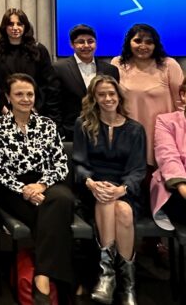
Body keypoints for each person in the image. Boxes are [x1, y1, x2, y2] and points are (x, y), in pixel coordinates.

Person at [0, 73, 72, 304]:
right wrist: (24, 189)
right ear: (8, 97)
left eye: (29, 94)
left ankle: (42, 277)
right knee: (54, 214)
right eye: (19, 94)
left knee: (63, 199)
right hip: (13, 189)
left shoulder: (47, 125)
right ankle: (65, 284)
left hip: (45, 183)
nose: (25, 99)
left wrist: (41, 185)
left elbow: (61, 163)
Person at [73, 74, 145, 305]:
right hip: (92, 190)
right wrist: (91, 183)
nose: (107, 98)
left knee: (122, 210)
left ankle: (118, 281)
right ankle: (116, 281)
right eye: (101, 94)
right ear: (94, 98)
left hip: (125, 191)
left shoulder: (135, 129)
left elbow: (138, 170)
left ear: (119, 96)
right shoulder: (83, 124)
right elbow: (79, 163)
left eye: (111, 94)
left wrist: (122, 189)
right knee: (106, 200)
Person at [111, 23, 184, 166]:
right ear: (129, 42)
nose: (143, 46)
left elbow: (181, 102)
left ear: (155, 45)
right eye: (138, 41)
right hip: (127, 132)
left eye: (149, 42)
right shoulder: (117, 63)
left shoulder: (169, 65)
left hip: (162, 133)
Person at [0, 8, 60, 123]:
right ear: (4, 27)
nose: (15, 28)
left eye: (19, 24)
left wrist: (36, 108)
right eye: (10, 24)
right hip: (4, 114)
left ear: (25, 27)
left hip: (37, 113)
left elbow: (49, 84)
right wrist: (4, 110)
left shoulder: (39, 50)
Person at [54, 24, 119, 141]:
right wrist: (59, 131)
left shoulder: (111, 70)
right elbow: (54, 103)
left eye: (90, 41)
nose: (86, 45)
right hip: (70, 132)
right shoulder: (58, 68)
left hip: (103, 132)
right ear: (72, 44)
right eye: (81, 42)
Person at [151, 78, 186, 231]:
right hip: (176, 187)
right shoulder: (166, 121)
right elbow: (168, 157)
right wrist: (183, 187)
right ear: (183, 95)